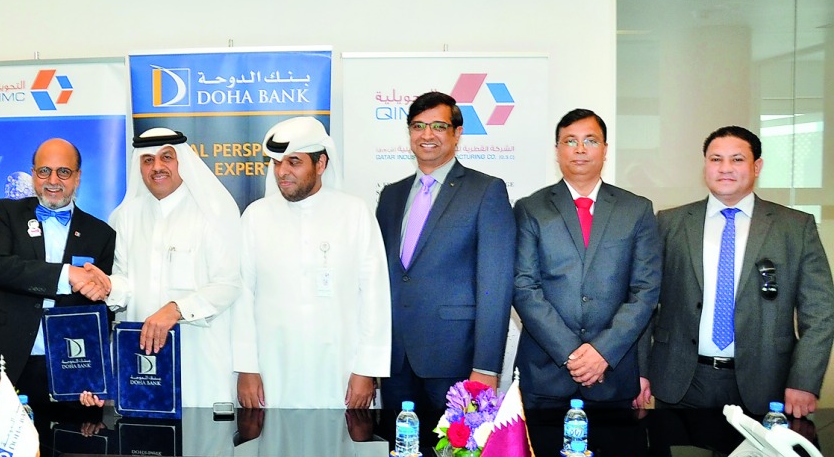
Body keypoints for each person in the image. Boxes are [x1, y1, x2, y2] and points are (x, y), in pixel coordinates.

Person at [647, 125, 834, 417]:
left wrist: (805, 380)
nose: (725, 168)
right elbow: (645, 302)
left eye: (737, 159)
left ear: (756, 166)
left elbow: (821, 313)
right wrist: (642, 371)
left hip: (767, 383)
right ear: (705, 165)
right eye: (715, 159)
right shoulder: (670, 223)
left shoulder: (795, 227)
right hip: (681, 380)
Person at [233, 116, 390, 409]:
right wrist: (246, 367)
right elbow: (242, 297)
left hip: (340, 369)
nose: (282, 172)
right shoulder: (255, 216)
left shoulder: (355, 213)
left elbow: (374, 296)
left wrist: (367, 370)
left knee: (339, 449)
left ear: (320, 164)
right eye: (277, 163)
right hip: (272, 371)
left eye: (294, 162)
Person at [376, 91, 516, 410]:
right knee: (400, 455)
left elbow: (495, 285)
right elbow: (379, 280)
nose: (427, 135)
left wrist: (486, 367)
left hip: (456, 363)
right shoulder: (391, 196)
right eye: (417, 126)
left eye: (438, 126)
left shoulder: (485, 191)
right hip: (395, 363)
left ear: (457, 133)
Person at [512, 109, 660, 409]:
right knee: (540, 456)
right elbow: (524, 287)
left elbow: (645, 290)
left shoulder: (636, 209)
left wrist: (602, 352)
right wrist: (572, 354)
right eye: (570, 141)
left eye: (590, 140)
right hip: (545, 374)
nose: (580, 149)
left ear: (605, 149)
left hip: (613, 373)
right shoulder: (531, 208)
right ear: (557, 151)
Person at [0, 138, 116, 400]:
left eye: (64, 172)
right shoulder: (5, 212)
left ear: (78, 177)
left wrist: (98, 375)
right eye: (44, 171)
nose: (53, 180)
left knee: (70, 440)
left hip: (71, 366)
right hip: (5, 359)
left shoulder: (101, 234)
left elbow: (99, 310)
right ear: (34, 173)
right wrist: (66, 274)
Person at [104, 127, 241, 407]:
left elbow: (228, 285)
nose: (157, 167)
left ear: (182, 162)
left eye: (166, 157)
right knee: (144, 445)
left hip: (198, 358)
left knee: (201, 445)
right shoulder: (125, 216)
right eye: (147, 159)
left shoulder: (212, 212)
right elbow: (124, 281)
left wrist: (176, 308)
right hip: (142, 362)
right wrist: (107, 286)